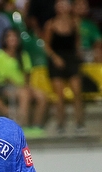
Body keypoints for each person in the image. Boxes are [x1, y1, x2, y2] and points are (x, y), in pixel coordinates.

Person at [0, 28, 48, 134]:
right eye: (9, 37)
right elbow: (4, 77)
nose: (12, 39)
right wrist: (22, 87)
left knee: (42, 96)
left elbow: (27, 74)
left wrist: (26, 86)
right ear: (5, 39)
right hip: (4, 86)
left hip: (23, 86)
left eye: (14, 37)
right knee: (24, 94)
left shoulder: (23, 55)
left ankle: (37, 126)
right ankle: (23, 127)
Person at [42, 0, 85, 133]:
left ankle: (79, 123)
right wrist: (55, 58)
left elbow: (77, 41)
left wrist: (79, 55)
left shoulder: (75, 22)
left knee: (77, 92)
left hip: (71, 58)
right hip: (56, 59)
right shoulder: (51, 24)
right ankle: (61, 123)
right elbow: (46, 45)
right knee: (59, 95)